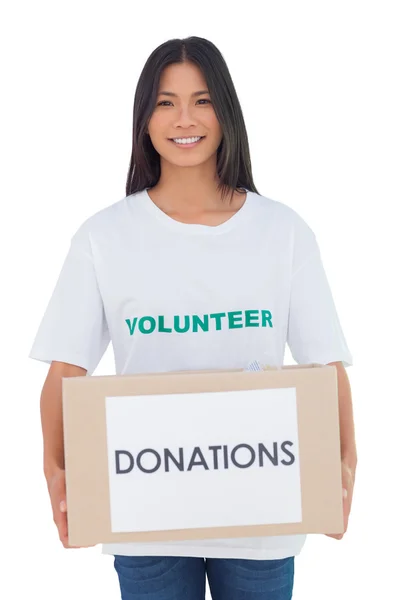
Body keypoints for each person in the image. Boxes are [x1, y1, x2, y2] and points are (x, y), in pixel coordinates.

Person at [28, 36, 357, 600]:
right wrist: (55, 473)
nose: (185, 119)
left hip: (263, 519)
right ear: (145, 119)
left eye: (201, 101)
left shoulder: (282, 232)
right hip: (143, 520)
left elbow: (326, 365)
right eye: (165, 102)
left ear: (225, 112)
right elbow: (65, 371)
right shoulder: (103, 237)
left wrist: (346, 468)